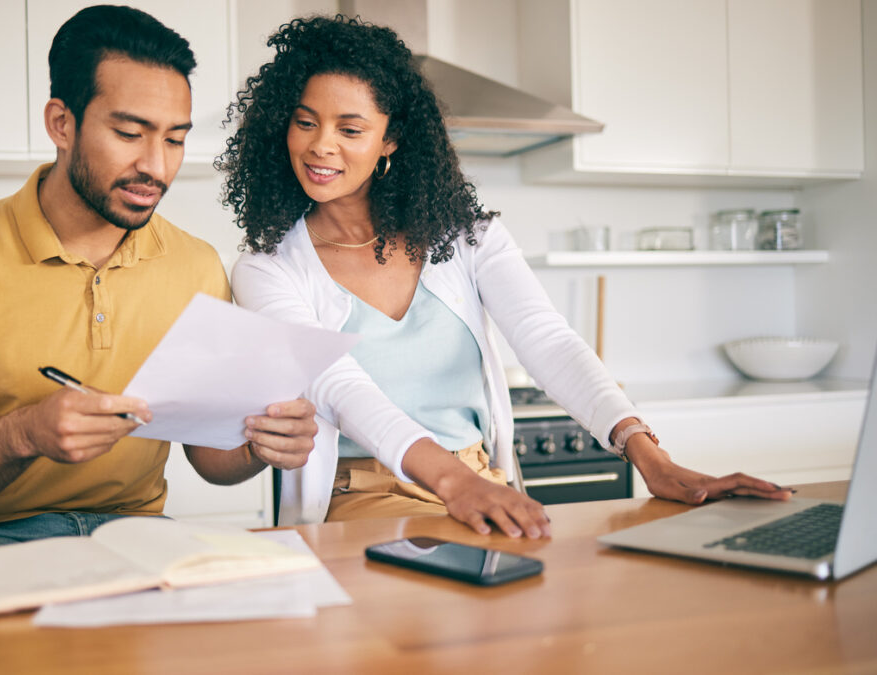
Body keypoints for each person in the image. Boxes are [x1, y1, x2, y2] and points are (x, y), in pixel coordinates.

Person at [214, 15, 792, 538]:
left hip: (481, 479)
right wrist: (452, 483)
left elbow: (549, 342)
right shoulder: (267, 269)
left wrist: (652, 461)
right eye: (305, 122)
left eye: (350, 128)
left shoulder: (467, 237)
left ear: (389, 140)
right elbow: (339, 387)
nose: (321, 146)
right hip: (365, 496)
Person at [0, 5, 316, 554]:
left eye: (175, 140)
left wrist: (263, 443)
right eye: (130, 133)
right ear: (62, 123)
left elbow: (211, 460)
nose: (156, 167)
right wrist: (24, 435)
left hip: (135, 535)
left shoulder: (196, 266)